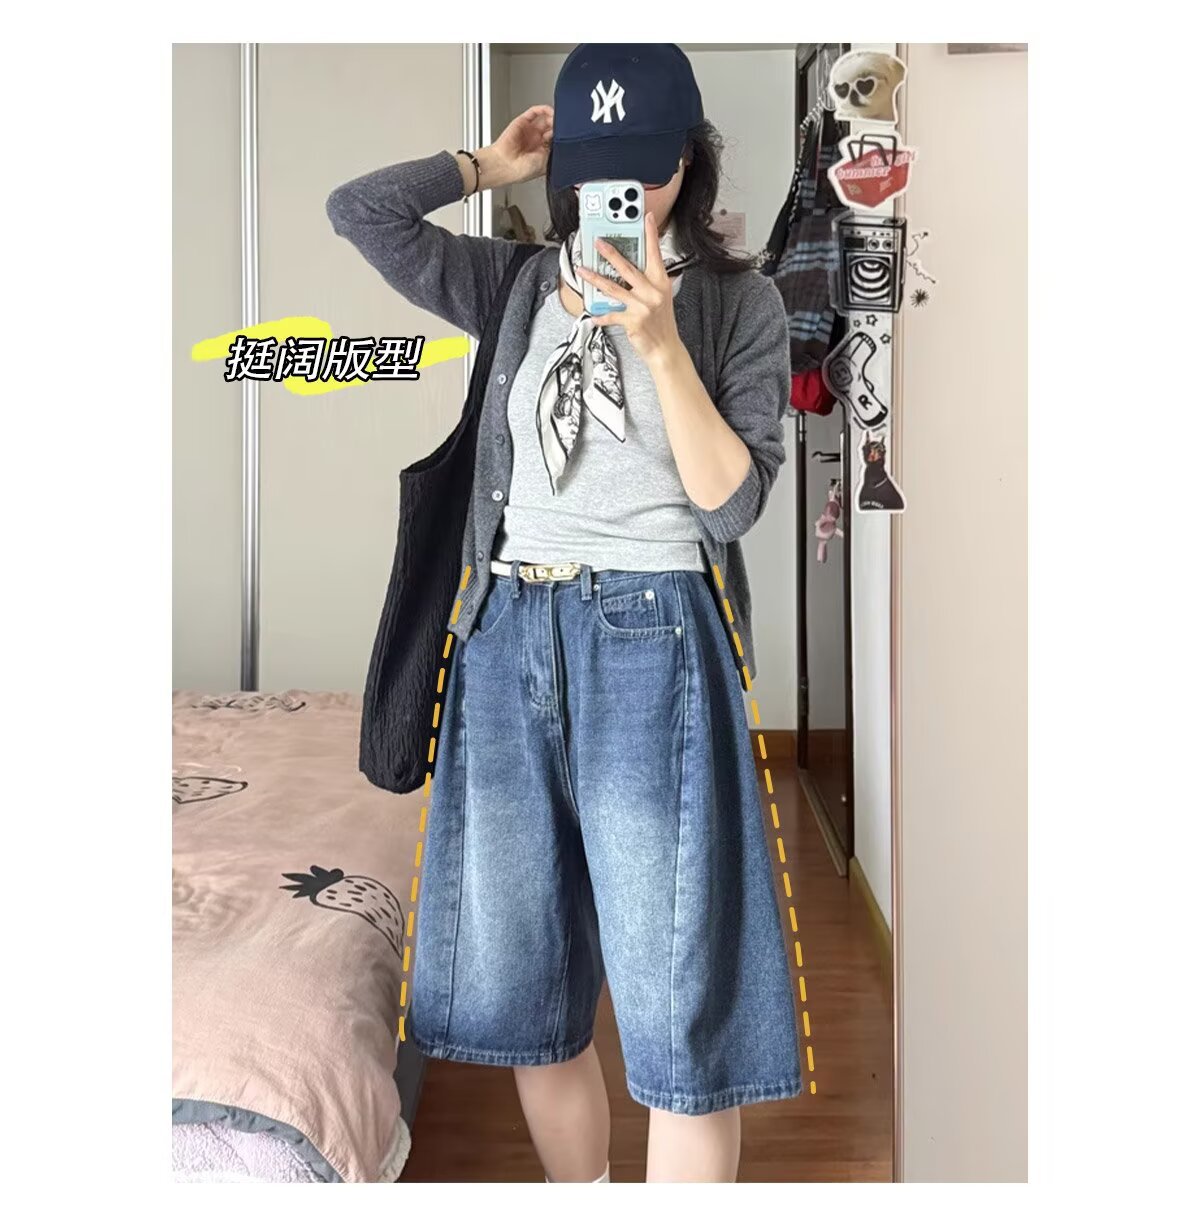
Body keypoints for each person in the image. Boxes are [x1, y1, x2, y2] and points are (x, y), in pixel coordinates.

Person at [326, 43, 802, 1184]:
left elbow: (733, 505)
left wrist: (660, 347)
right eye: (594, 169)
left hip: (654, 638)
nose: (618, 192)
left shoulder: (741, 303)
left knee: (678, 1000)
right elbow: (361, 214)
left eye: (645, 168)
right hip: (503, 637)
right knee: (529, 989)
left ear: (688, 161)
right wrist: (483, 166)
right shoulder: (514, 285)